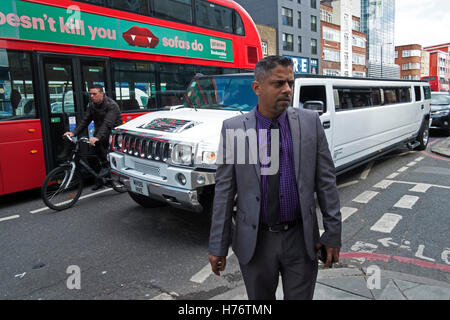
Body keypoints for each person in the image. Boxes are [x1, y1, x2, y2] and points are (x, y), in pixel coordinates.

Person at [208, 56, 342, 300]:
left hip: (301, 241)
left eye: (290, 82)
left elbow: (326, 182)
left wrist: (333, 232)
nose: (287, 89)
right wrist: (218, 245)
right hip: (255, 242)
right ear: (257, 88)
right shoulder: (235, 129)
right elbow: (225, 192)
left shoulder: (310, 122)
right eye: (279, 83)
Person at [64, 85, 122, 190]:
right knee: (91, 156)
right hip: (99, 133)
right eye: (90, 94)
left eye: (94, 94)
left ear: (102, 94)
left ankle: (109, 172)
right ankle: (101, 180)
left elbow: (107, 124)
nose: (92, 96)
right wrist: (74, 133)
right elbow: (85, 121)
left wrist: (97, 137)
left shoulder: (111, 105)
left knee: (104, 156)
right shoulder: (92, 106)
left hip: (112, 134)